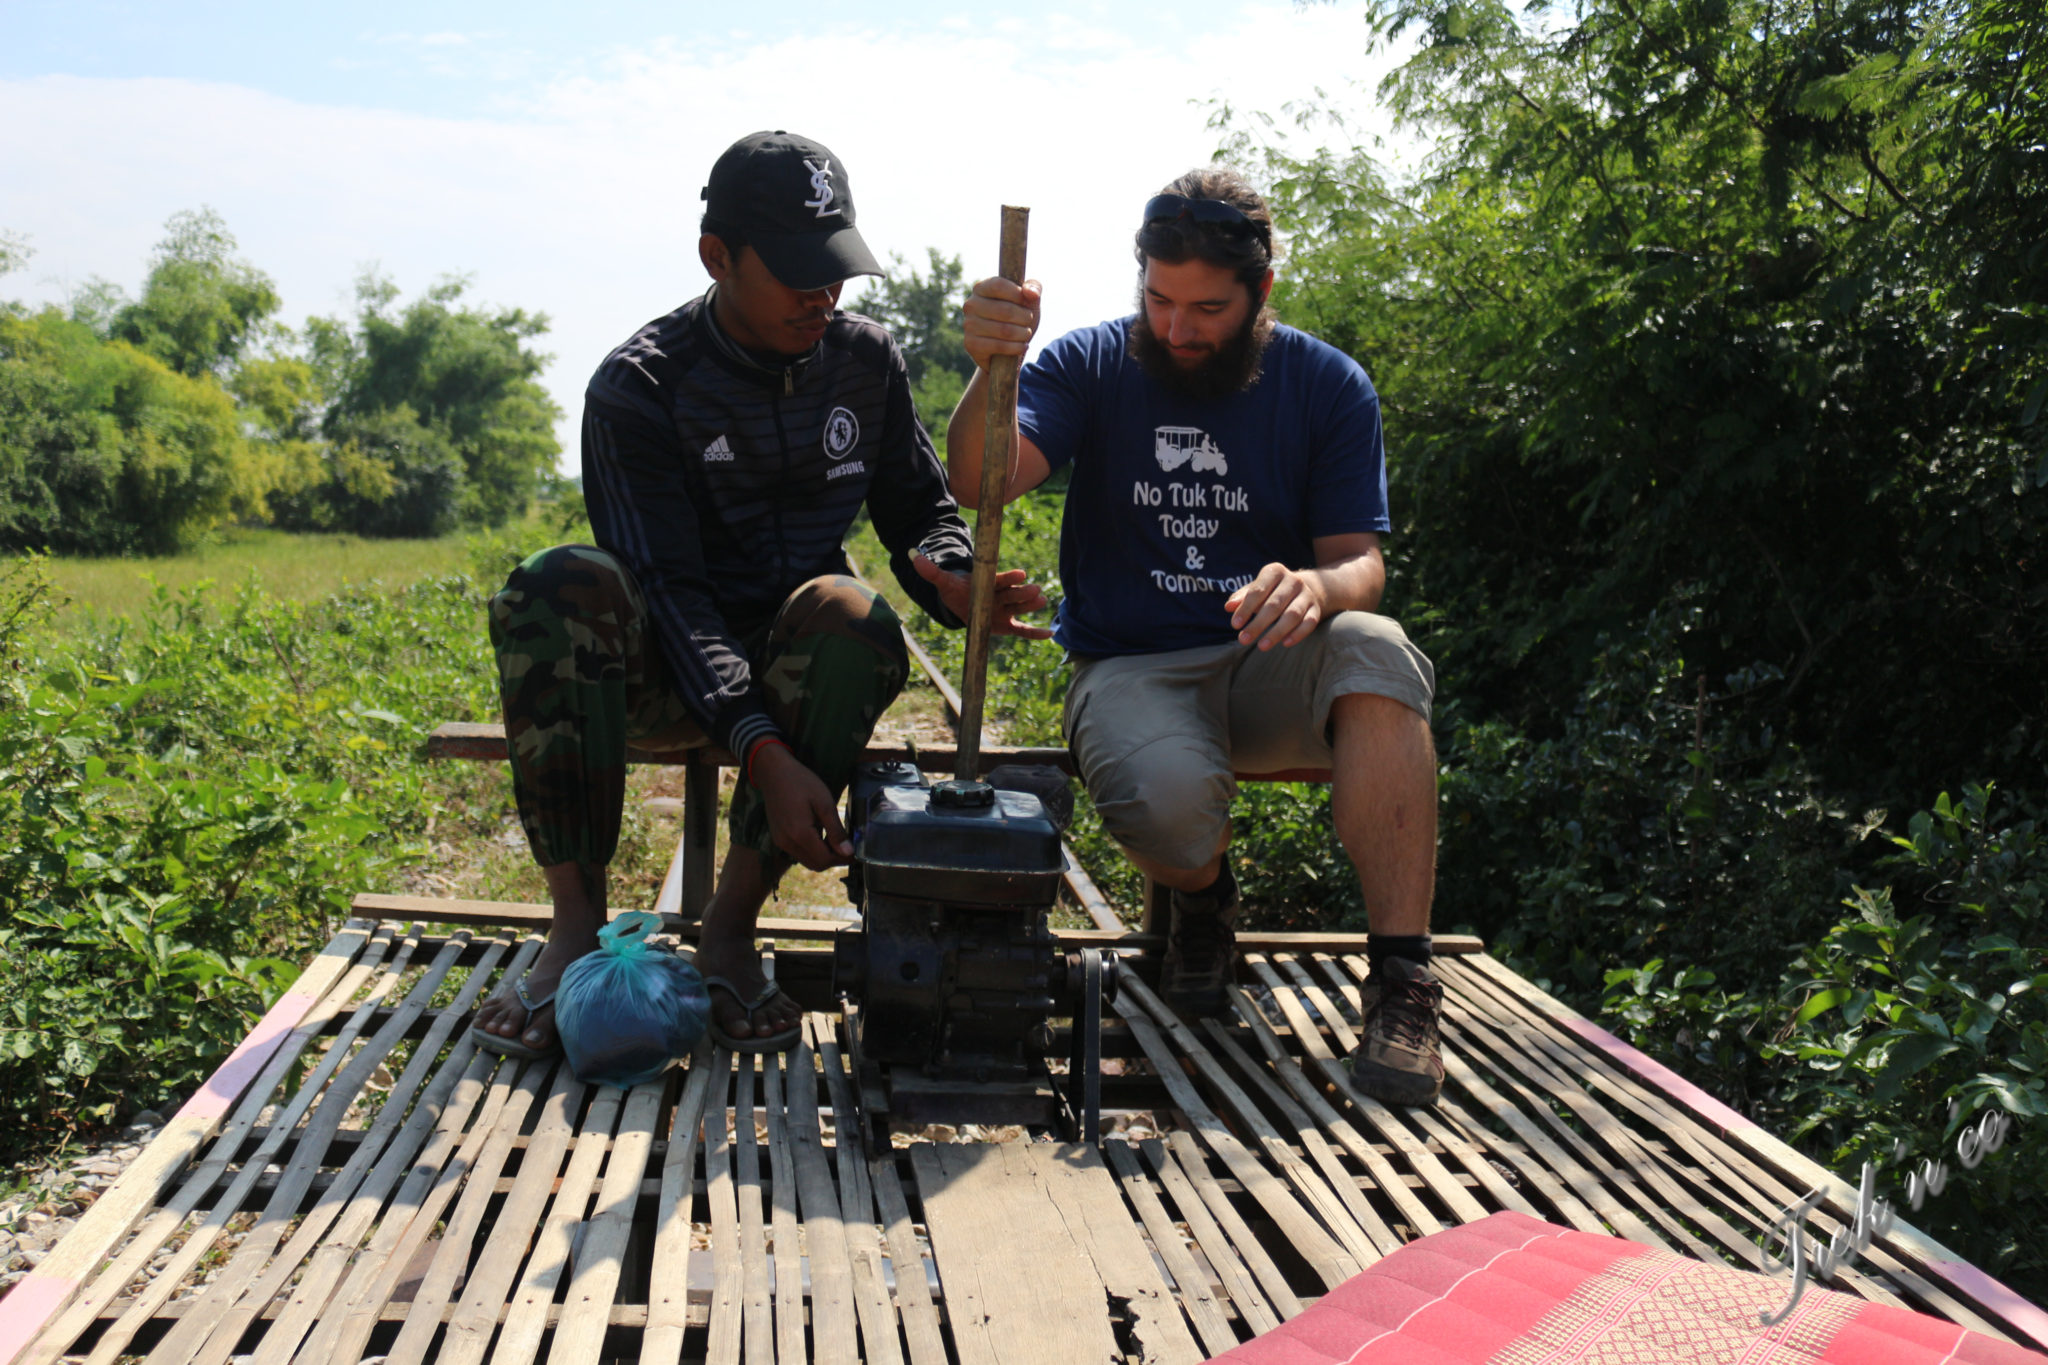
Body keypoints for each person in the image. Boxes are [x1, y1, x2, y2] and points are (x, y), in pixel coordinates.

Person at [472, 130, 1049, 1059]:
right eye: (795, 274)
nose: (824, 296)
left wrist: (951, 575)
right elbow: (668, 591)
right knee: (559, 586)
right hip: (662, 664)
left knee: (854, 615)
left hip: (792, 664)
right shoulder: (642, 385)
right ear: (718, 258)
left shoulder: (864, 362)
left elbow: (919, 506)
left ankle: (730, 927)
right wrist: (766, 753)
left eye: (836, 272)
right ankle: (574, 924)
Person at [947, 166, 1444, 1105]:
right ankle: (1203, 897)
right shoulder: (1092, 364)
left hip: (1272, 661)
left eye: (1207, 308)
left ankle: (1403, 978)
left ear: (1263, 291)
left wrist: (1316, 585)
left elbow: (1360, 562)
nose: (1177, 329)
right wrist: (990, 369)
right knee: (1172, 815)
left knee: (1376, 642)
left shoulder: (1328, 384)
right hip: (1133, 662)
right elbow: (981, 479)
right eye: (1159, 299)